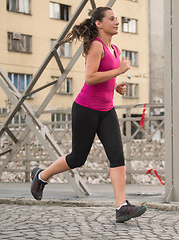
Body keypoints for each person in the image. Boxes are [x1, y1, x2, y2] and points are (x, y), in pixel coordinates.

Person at [30, 7, 147, 223]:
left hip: (107, 110)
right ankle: (41, 176)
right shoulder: (96, 46)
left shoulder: (115, 48)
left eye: (117, 19)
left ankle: (121, 207)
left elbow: (104, 79)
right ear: (98, 24)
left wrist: (116, 86)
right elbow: (91, 78)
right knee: (77, 158)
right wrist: (118, 72)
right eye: (111, 19)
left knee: (117, 157)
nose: (117, 22)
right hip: (86, 110)